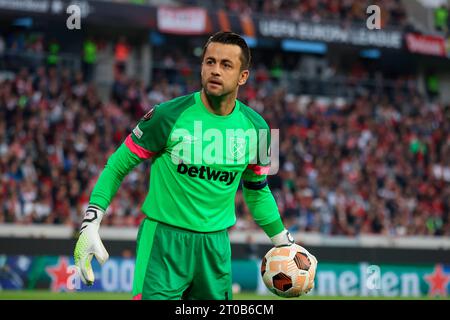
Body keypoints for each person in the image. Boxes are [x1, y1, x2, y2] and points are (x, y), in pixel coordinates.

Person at [73, 31, 317, 300]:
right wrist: (90, 224)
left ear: (243, 76)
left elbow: (258, 189)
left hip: (215, 247)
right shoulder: (167, 115)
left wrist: (282, 239)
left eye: (226, 65)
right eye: (209, 62)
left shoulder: (259, 129)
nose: (215, 70)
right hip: (163, 243)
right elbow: (116, 166)